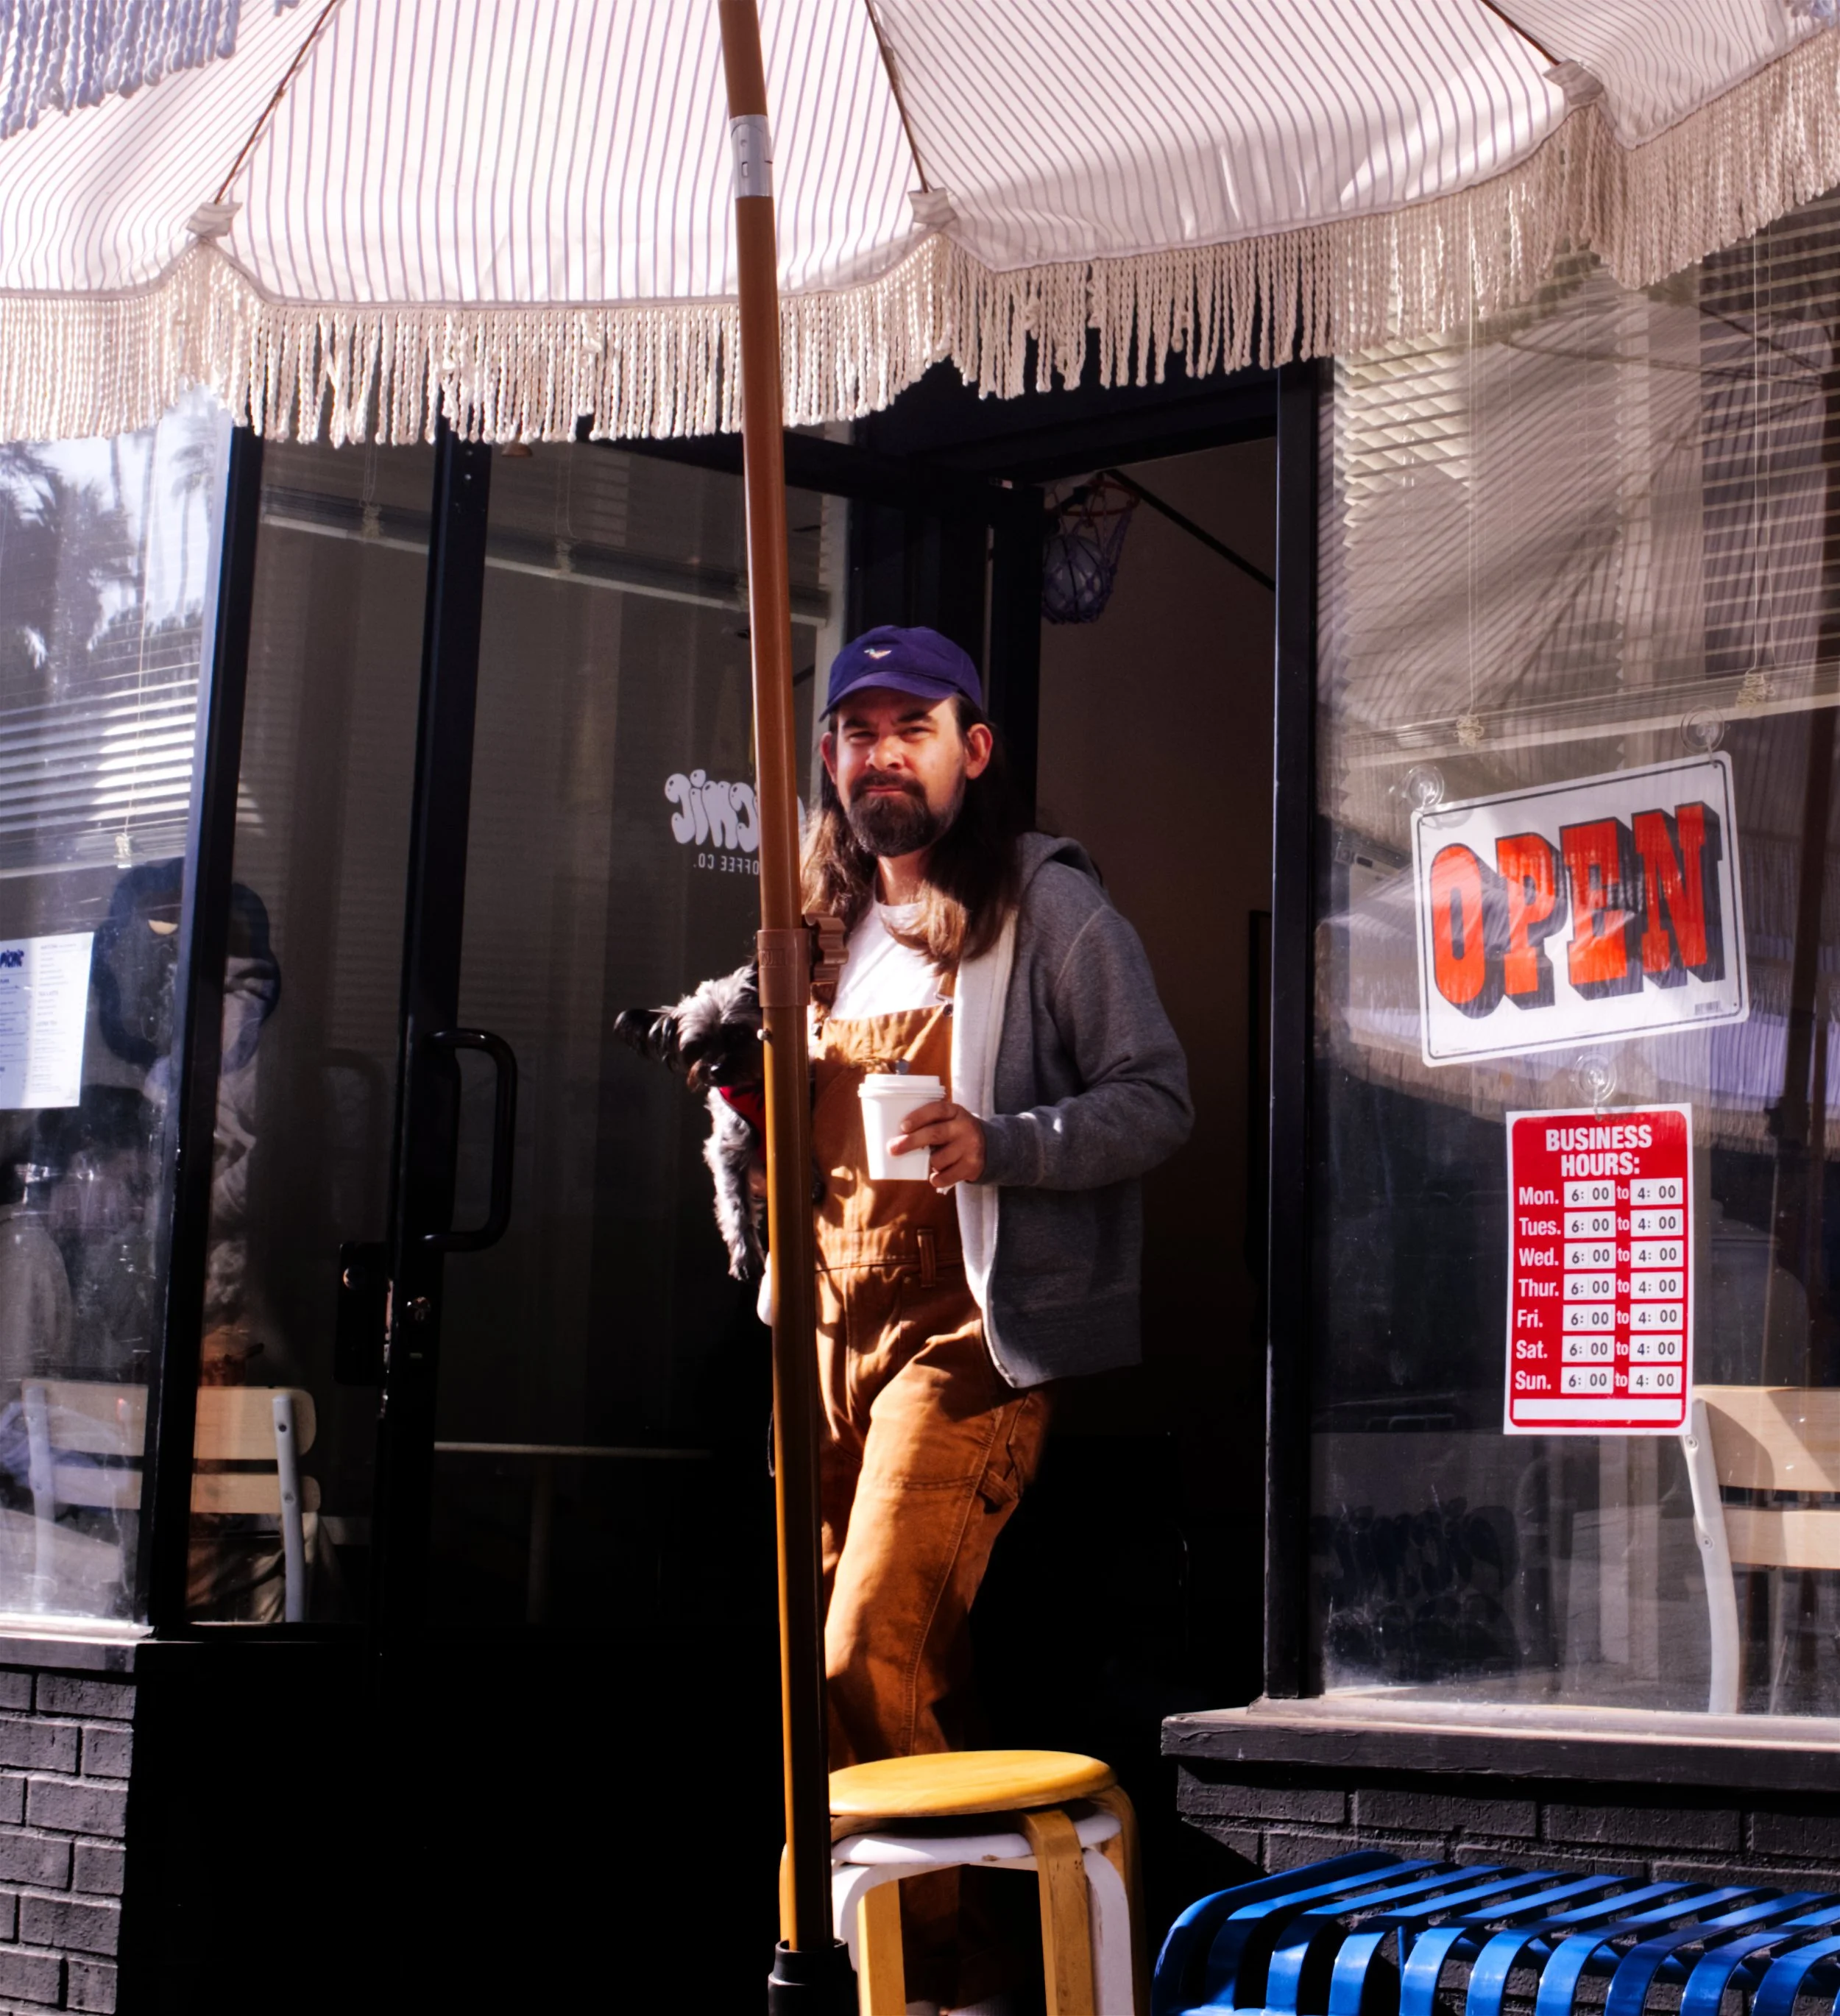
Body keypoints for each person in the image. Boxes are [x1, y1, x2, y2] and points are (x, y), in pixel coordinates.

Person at [802, 623, 1192, 2009]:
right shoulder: (816, 924)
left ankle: (936, 1971)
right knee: (878, 1669)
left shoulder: (1048, 903)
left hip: (970, 1339)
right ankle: (931, 1961)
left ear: (973, 752)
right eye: (855, 730)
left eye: (911, 728)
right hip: (822, 1341)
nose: (877, 754)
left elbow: (1159, 1096)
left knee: (862, 1651)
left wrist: (1007, 1141)